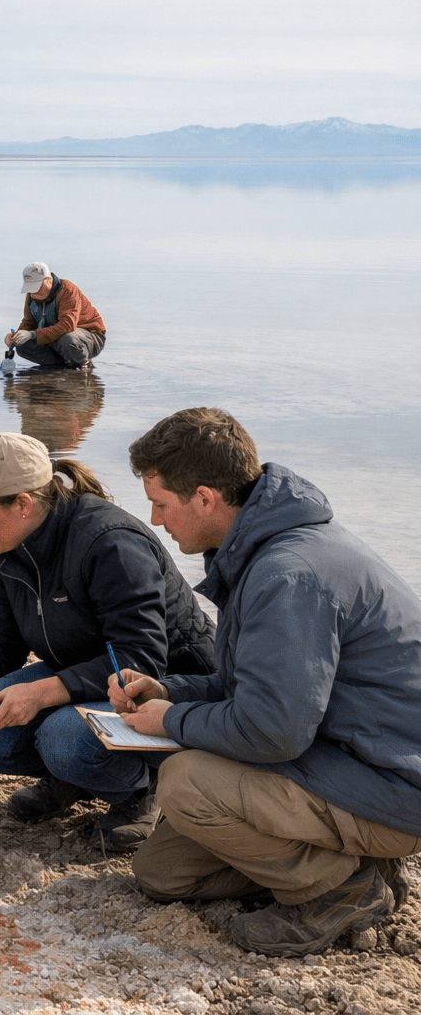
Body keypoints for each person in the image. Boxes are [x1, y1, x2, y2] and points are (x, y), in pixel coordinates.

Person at [116, 407, 421, 957]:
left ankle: (340, 890)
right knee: (162, 872)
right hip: (343, 758)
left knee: (184, 782)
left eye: (160, 504)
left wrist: (172, 721)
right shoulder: (263, 549)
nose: (156, 521)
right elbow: (255, 689)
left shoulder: (287, 574)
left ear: (204, 498)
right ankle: (358, 865)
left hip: (392, 784)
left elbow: (273, 731)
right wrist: (169, 692)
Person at [0, 432, 216, 850]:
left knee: (63, 738)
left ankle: (143, 788)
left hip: (168, 686)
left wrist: (39, 694)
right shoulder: (10, 549)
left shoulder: (110, 542)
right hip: (85, 676)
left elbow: (140, 661)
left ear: (23, 504)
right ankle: (75, 779)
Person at [4, 262, 106, 369]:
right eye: (30, 288)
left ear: (48, 280)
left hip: (89, 336)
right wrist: (15, 337)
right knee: (22, 345)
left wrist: (33, 334)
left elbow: (67, 326)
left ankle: (83, 367)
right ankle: (59, 368)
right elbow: (28, 322)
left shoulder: (68, 290)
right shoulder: (32, 294)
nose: (32, 294)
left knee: (68, 340)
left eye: (36, 288)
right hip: (55, 337)